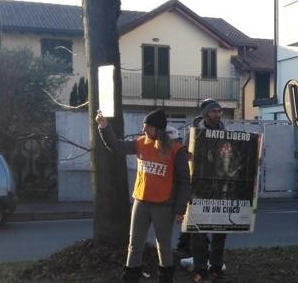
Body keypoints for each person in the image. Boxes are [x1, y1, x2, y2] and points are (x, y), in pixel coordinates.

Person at [95, 108, 189, 283]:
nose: (144, 129)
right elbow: (116, 146)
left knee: (164, 246)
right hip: (141, 202)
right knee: (134, 245)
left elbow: (184, 182)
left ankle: (166, 279)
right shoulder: (140, 143)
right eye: (144, 126)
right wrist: (104, 126)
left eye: (148, 127)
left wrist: (180, 209)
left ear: (158, 129)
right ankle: (130, 278)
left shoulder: (176, 149)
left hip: (164, 205)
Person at [189, 98, 231, 283]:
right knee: (198, 232)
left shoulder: (225, 132)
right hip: (199, 187)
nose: (218, 114)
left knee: (221, 229)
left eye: (220, 111)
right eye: (214, 111)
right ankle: (200, 269)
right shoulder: (195, 133)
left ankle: (216, 268)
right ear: (206, 113)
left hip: (220, 187)